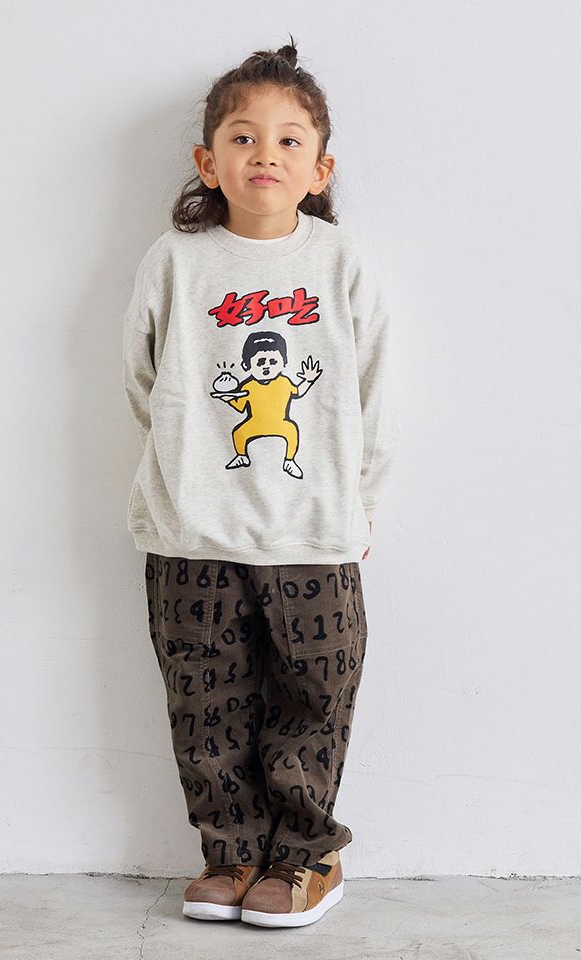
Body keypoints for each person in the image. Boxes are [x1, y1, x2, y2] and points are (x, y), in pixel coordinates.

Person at [122, 37, 400, 928]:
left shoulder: (340, 263)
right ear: (208, 163)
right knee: (205, 697)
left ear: (320, 170)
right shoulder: (177, 259)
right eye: (242, 137)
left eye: (288, 140)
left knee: (313, 693)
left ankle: (305, 856)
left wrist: (360, 503)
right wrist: (187, 463)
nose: (264, 155)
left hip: (312, 527)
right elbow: (141, 378)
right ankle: (231, 851)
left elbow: (375, 391)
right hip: (190, 529)